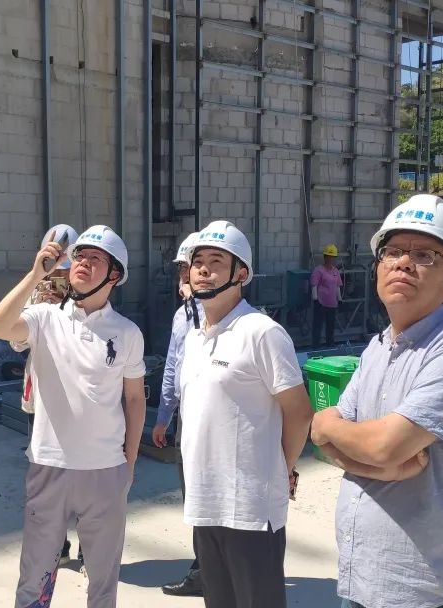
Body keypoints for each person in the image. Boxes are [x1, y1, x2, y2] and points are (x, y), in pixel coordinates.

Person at [310, 194, 443, 608]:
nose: (403, 263)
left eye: (424, 255)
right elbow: (326, 439)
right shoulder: (378, 347)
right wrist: (376, 460)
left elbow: (383, 445)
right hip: (361, 578)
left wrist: (340, 432)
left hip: (430, 590)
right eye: (393, 251)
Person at [0, 224, 146, 608]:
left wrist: (128, 463)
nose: (83, 263)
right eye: (79, 256)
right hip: (50, 466)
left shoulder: (127, 333)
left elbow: (134, 399)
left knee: (103, 579)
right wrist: (35, 275)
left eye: (95, 259)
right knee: (35, 577)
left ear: (114, 275)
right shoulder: (45, 318)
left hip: (105, 469)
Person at [178, 220, 314, 608]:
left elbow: (299, 412)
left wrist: (282, 467)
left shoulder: (261, 332)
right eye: (198, 262)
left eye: (216, 262)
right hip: (205, 502)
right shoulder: (195, 336)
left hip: (250, 508)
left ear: (241, 273)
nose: (203, 270)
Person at [7, 224, 85, 569]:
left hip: (78, 400)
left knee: (83, 475)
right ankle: (57, 544)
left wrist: (66, 306)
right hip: (39, 399)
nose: (60, 276)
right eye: (55, 268)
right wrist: (40, 307)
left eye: (66, 269)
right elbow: (15, 342)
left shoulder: (89, 292)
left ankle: (89, 547)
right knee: (46, 475)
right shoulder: (34, 292)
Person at [152, 232, 205, 598]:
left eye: (189, 268)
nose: (185, 276)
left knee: (212, 494)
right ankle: (205, 567)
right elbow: (173, 365)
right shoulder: (180, 316)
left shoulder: (223, 317)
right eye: (184, 269)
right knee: (194, 496)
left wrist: (195, 305)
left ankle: (211, 569)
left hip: (215, 420)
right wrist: (163, 416)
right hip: (187, 418)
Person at [311, 244, 345, 348]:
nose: (331, 259)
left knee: (330, 326)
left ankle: (330, 345)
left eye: (333, 257)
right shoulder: (318, 270)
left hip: (332, 304)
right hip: (321, 303)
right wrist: (315, 300)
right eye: (329, 257)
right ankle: (316, 346)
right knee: (318, 326)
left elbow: (337, 286)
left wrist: (340, 299)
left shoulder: (335, 271)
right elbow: (314, 285)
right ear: (325, 257)